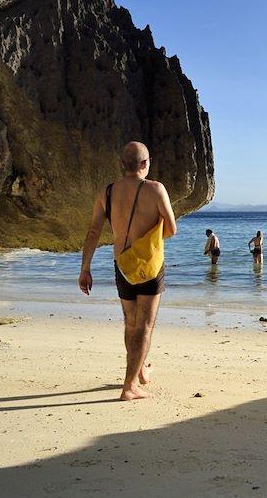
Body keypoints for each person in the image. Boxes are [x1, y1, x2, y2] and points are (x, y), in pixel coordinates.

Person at [78, 141, 177, 401]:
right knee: (144, 325)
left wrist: (85, 269)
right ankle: (130, 386)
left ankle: (140, 370)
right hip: (148, 266)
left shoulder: (107, 193)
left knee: (130, 322)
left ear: (122, 164)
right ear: (145, 164)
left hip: (122, 264)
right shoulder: (155, 189)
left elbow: (92, 233)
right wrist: (149, 241)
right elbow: (171, 228)